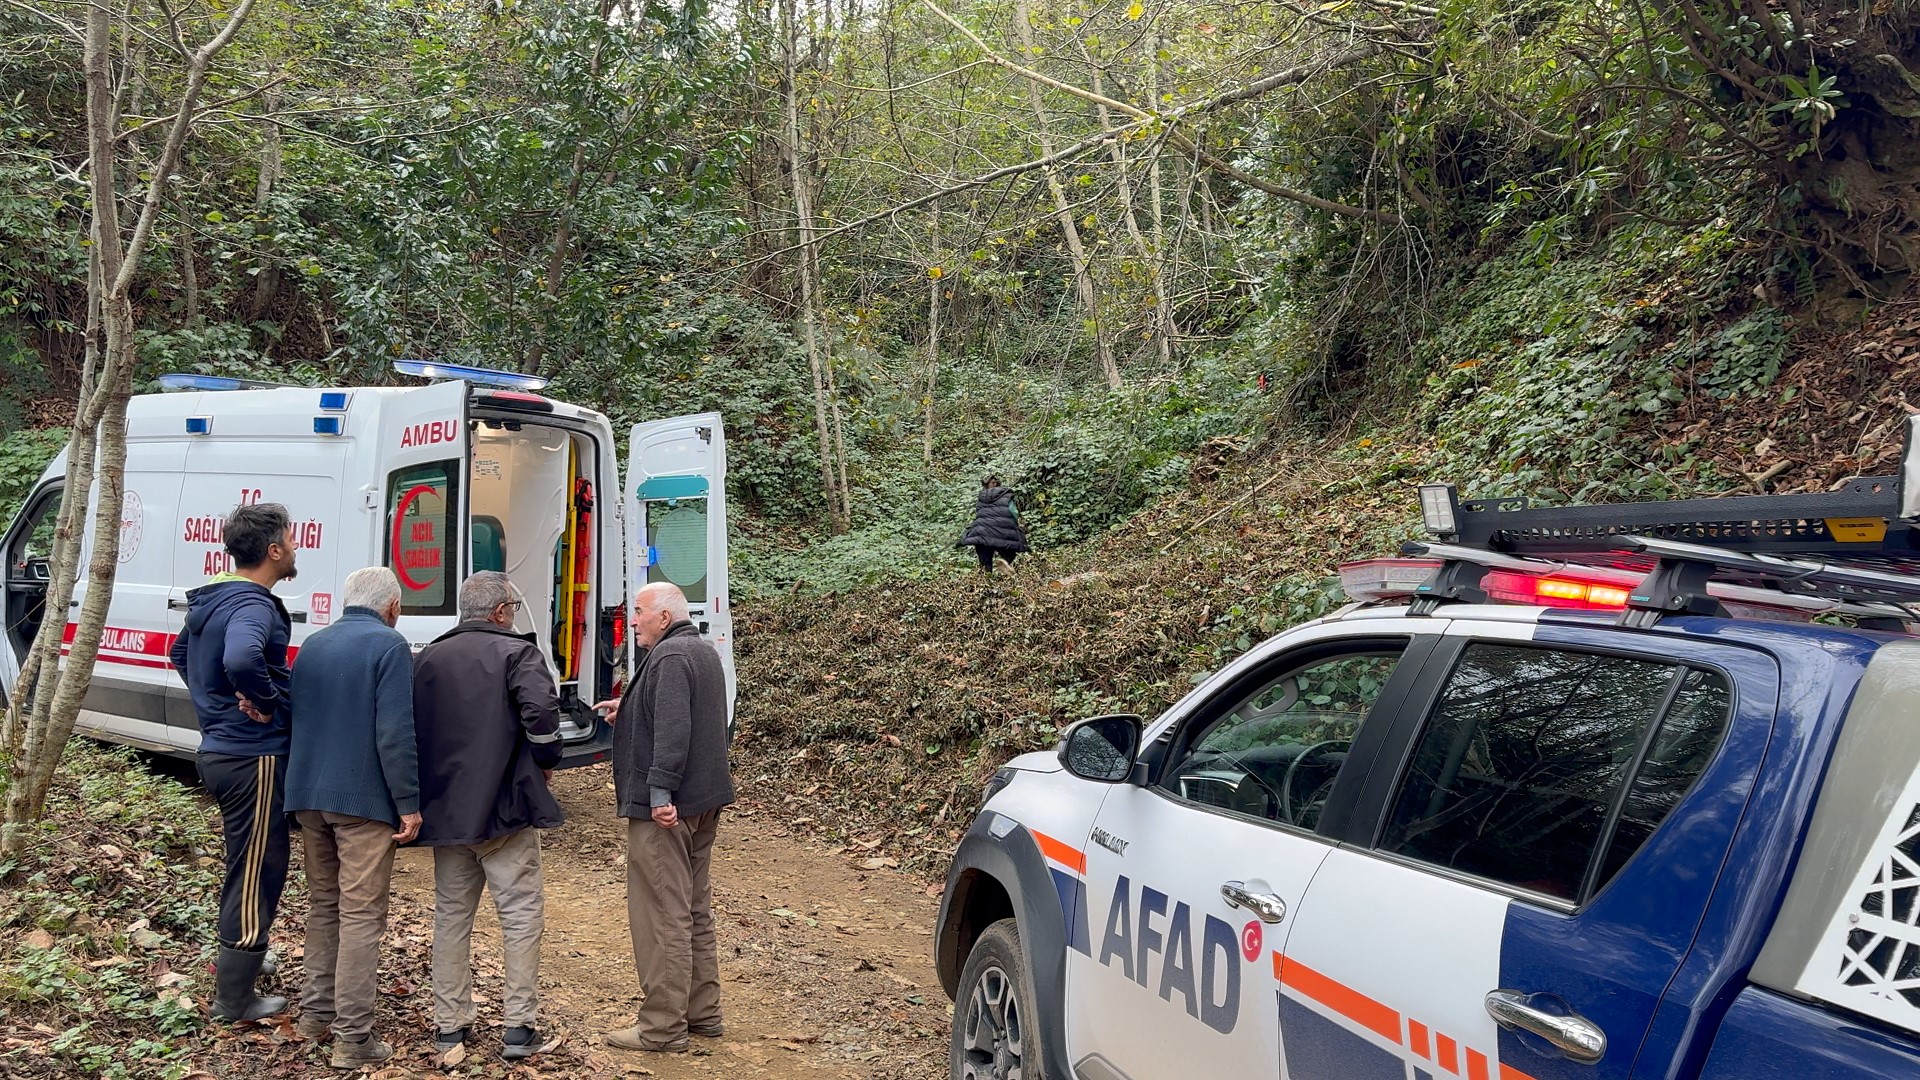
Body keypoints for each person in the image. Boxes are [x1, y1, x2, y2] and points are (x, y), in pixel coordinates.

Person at [412, 571, 563, 1061]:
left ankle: (449, 1027)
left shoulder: (428, 657)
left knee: (451, 917)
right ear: (500, 611)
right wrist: (545, 760)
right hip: (506, 810)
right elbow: (541, 716)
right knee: (520, 916)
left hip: (447, 814)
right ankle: (518, 1027)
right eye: (513, 610)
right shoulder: (519, 654)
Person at [284, 567, 423, 1067]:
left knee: (324, 907)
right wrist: (408, 802)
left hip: (307, 796)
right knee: (362, 915)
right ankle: (354, 1040)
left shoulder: (313, 645)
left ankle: (315, 1015)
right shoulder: (389, 647)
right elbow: (395, 734)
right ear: (392, 607)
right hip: (361, 802)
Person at [168, 501, 298, 1023]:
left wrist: (217, 705)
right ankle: (235, 1000)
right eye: (290, 539)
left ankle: (248, 954)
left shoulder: (215, 600)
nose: (295, 547)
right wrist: (261, 702)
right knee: (257, 870)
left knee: (246, 860)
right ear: (272, 550)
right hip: (253, 756)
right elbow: (243, 658)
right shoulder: (253, 605)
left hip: (222, 750)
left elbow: (180, 655)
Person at [605, 582, 736, 1054]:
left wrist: (660, 790)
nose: (633, 620)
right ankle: (703, 1013)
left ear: (664, 615)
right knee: (692, 908)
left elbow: (676, 728)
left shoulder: (669, 657)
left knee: (663, 914)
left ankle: (662, 1027)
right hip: (702, 802)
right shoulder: (699, 650)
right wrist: (631, 708)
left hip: (669, 808)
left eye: (638, 612)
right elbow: (690, 714)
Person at [957, 475, 1030, 573]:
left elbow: (979, 514)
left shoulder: (981, 497)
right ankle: (1001, 568)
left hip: (981, 533)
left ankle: (987, 580)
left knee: (985, 562)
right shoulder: (1006, 495)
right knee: (1009, 554)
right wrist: (1015, 524)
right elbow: (1014, 512)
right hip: (1002, 532)